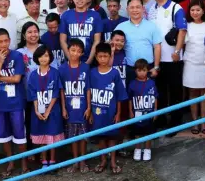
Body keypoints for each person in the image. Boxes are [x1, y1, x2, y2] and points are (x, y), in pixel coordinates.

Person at [0, 28, 28, 177]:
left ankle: (23, 162)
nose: (4, 44)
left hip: (16, 102)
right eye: (0, 42)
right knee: (4, 136)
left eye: (6, 41)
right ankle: (10, 161)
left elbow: (17, 79)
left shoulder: (17, 56)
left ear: (10, 40)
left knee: (19, 134)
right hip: (0, 104)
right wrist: (0, 63)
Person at [148, 0, 187, 134]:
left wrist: (177, 52)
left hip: (172, 59)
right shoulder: (152, 9)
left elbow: (182, 31)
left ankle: (176, 122)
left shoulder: (175, 8)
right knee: (161, 92)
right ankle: (162, 120)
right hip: (157, 59)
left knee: (175, 91)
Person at [89, 43, 128, 174]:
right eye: (100, 56)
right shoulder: (92, 73)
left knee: (112, 137)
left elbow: (119, 96)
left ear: (110, 56)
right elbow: (88, 92)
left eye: (105, 56)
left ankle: (112, 161)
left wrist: (118, 113)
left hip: (111, 113)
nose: (103, 59)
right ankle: (103, 160)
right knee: (101, 138)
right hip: (96, 113)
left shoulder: (115, 73)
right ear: (96, 56)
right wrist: (89, 111)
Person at [28, 45, 64, 173]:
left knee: (52, 136)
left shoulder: (54, 72)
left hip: (53, 111)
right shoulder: (32, 75)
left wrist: (48, 110)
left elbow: (56, 93)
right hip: (38, 111)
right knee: (43, 136)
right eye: (41, 56)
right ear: (37, 58)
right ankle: (44, 161)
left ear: (50, 58)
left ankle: (53, 161)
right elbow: (32, 94)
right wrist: (37, 110)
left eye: (46, 55)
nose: (44, 58)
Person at [59, 39, 91, 173]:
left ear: (82, 53)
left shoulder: (85, 67)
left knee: (83, 137)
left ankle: (83, 162)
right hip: (70, 108)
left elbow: (88, 88)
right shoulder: (62, 68)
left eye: (78, 51)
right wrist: (64, 108)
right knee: (72, 137)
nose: (75, 53)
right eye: (73, 50)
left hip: (83, 108)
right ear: (68, 51)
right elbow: (62, 90)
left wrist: (89, 107)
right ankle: (75, 162)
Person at [115, 0, 162, 84]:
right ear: (127, 9)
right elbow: (114, 46)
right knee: (130, 96)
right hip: (129, 69)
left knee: (148, 95)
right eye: (132, 7)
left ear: (143, 8)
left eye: (138, 7)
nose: (135, 10)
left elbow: (157, 47)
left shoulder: (152, 26)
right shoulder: (121, 27)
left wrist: (156, 67)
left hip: (148, 69)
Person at [183, 0, 205, 135]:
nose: (195, 12)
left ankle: (204, 122)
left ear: (203, 11)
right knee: (193, 93)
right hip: (190, 63)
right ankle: (194, 121)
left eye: (198, 10)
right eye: (192, 10)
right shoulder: (186, 26)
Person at [16, 21, 42, 161]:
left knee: (40, 123)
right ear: (24, 36)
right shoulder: (19, 53)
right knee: (28, 122)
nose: (33, 34)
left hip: (43, 95)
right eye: (30, 32)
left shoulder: (44, 49)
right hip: (25, 95)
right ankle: (30, 151)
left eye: (35, 31)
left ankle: (42, 152)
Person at [60, 0, 103, 64]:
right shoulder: (65, 15)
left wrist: (88, 62)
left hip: (90, 62)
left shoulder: (96, 15)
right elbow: (62, 40)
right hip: (70, 62)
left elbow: (97, 41)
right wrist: (71, 60)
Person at [128, 59, 158, 162]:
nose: (141, 72)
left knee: (148, 132)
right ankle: (137, 149)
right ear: (135, 71)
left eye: (144, 70)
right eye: (139, 70)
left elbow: (155, 97)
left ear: (148, 71)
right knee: (137, 132)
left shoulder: (151, 83)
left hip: (149, 112)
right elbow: (130, 99)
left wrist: (155, 110)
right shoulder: (132, 83)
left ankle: (147, 149)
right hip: (136, 113)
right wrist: (130, 111)